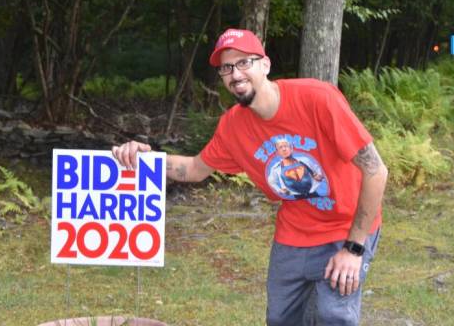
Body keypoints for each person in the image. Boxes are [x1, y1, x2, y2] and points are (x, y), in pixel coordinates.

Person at [112, 28, 388, 325]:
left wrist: (354, 248)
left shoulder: (317, 98)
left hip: (344, 227)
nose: (235, 74)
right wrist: (141, 160)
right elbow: (193, 168)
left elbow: (375, 171)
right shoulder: (233, 127)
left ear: (265, 65)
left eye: (244, 62)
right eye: (226, 68)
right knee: (281, 319)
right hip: (294, 233)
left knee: (332, 316)